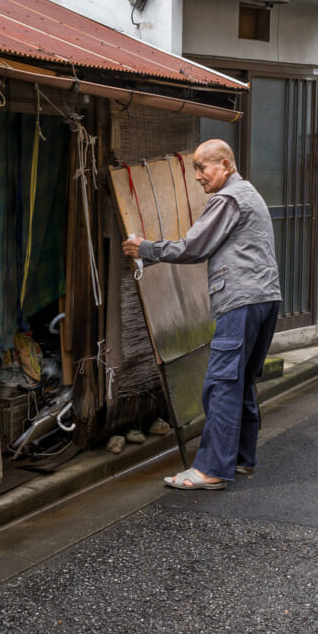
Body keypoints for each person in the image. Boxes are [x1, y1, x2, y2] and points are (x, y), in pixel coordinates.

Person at [122, 139, 282, 490]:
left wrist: (146, 248)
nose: (197, 176)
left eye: (202, 168)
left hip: (240, 301)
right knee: (239, 382)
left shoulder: (228, 199)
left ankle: (210, 470)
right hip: (264, 298)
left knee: (222, 384)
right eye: (195, 168)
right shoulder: (249, 194)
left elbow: (193, 247)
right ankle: (240, 459)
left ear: (225, 165)